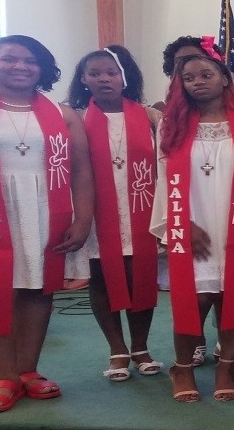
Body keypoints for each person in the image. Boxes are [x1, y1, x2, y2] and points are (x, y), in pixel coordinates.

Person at [151, 53, 234, 403]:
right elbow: (164, 180)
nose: (197, 81)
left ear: (225, 78)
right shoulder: (172, 124)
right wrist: (181, 223)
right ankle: (182, 367)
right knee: (195, 298)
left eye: (206, 74)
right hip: (192, 222)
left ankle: (226, 367)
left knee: (233, 295)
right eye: (189, 77)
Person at [0, 34, 94, 414]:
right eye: (10, 59)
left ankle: (27, 370)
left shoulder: (63, 114)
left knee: (37, 290)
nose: (20, 66)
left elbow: (81, 170)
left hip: (45, 209)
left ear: (42, 68)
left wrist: (83, 219)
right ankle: (3, 377)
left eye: (30, 61)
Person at [66, 45, 164, 383]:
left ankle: (140, 347)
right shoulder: (76, 118)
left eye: (112, 72)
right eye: (95, 73)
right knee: (101, 278)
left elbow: (166, 165)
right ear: (84, 79)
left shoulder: (151, 117)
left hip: (141, 206)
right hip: (96, 212)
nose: (104, 79)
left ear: (125, 77)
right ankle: (117, 349)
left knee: (141, 275)